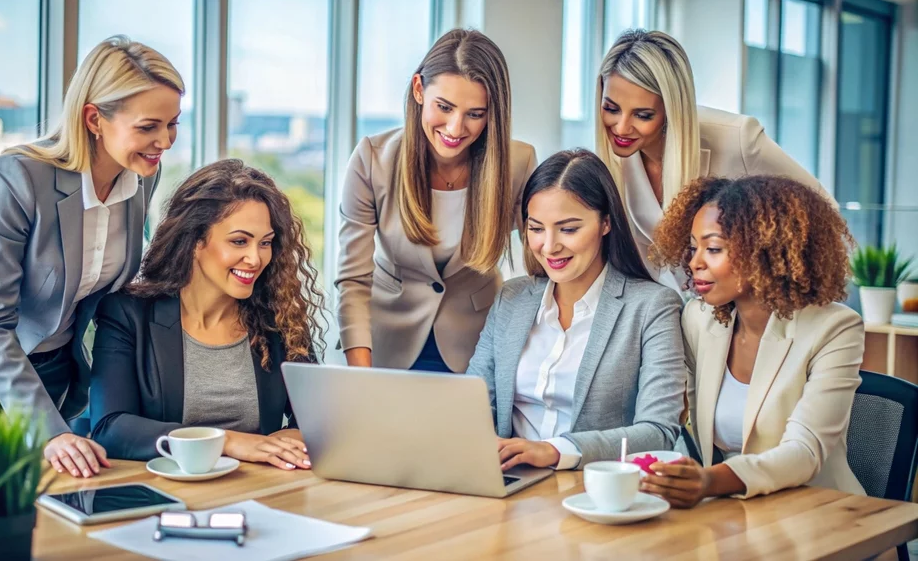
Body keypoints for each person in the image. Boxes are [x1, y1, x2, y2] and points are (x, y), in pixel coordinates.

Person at [0, 36, 184, 484]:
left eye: (173, 124)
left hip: (55, 377)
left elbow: (117, 289)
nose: (164, 141)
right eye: (148, 126)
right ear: (94, 118)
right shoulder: (20, 176)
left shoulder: (140, 180)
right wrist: (48, 432)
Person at [643, 175, 865, 507]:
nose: (694, 262)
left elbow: (804, 452)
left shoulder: (835, 328)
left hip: (817, 513)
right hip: (730, 511)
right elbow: (675, 416)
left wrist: (709, 481)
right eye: (693, 247)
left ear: (764, 250)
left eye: (713, 248)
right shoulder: (699, 319)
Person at [89, 160, 324, 471]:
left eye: (265, 243)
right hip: (165, 492)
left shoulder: (280, 317)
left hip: (261, 491)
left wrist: (291, 439)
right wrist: (228, 441)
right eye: (239, 241)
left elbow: (317, 420)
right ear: (195, 240)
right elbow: (111, 428)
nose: (255, 258)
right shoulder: (128, 313)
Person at [466, 149, 686, 470]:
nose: (549, 245)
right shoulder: (512, 298)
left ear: (605, 223)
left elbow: (659, 432)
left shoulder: (652, 307)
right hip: (509, 480)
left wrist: (555, 451)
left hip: (592, 487)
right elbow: (473, 405)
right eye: (536, 228)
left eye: (568, 229)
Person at [336, 28, 537, 373]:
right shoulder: (373, 159)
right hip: (384, 346)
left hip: (479, 347)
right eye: (443, 107)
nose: (456, 128)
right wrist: (361, 376)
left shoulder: (518, 164)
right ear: (419, 90)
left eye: (475, 113)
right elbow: (353, 280)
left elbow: (543, 262)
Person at [595, 29, 831, 292]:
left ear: (671, 108)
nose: (622, 128)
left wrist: (770, 285)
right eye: (611, 109)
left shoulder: (737, 139)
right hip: (671, 315)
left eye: (643, 115)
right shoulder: (611, 159)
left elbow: (821, 208)